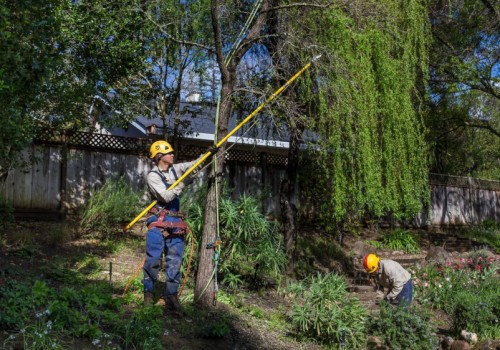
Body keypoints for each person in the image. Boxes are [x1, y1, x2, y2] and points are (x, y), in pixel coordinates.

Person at [142, 140, 202, 313]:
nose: (173, 155)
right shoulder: (153, 176)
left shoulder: (176, 169)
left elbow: (194, 165)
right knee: (153, 259)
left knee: (175, 261)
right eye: (169, 153)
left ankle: (171, 298)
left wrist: (206, 156)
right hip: (158, 221)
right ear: (160, 156)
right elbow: (166, 197)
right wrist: (183, 184)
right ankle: (148, 295)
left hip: (176, 221)